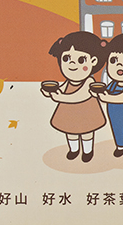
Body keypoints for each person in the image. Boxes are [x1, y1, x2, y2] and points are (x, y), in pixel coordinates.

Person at [42, 31, 107, 162]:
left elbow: (79, 96)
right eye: (66, 59)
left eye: (81, 60)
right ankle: (74, 149)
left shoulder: (89, 81)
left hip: (86, 112)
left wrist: (60, 98)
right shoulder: (69, 82)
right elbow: (62, 89)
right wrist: (50, 92)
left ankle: (87, 151)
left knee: (87, 132)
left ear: (93, 61)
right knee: (70, 132)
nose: (72, 64)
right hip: (69, 112)